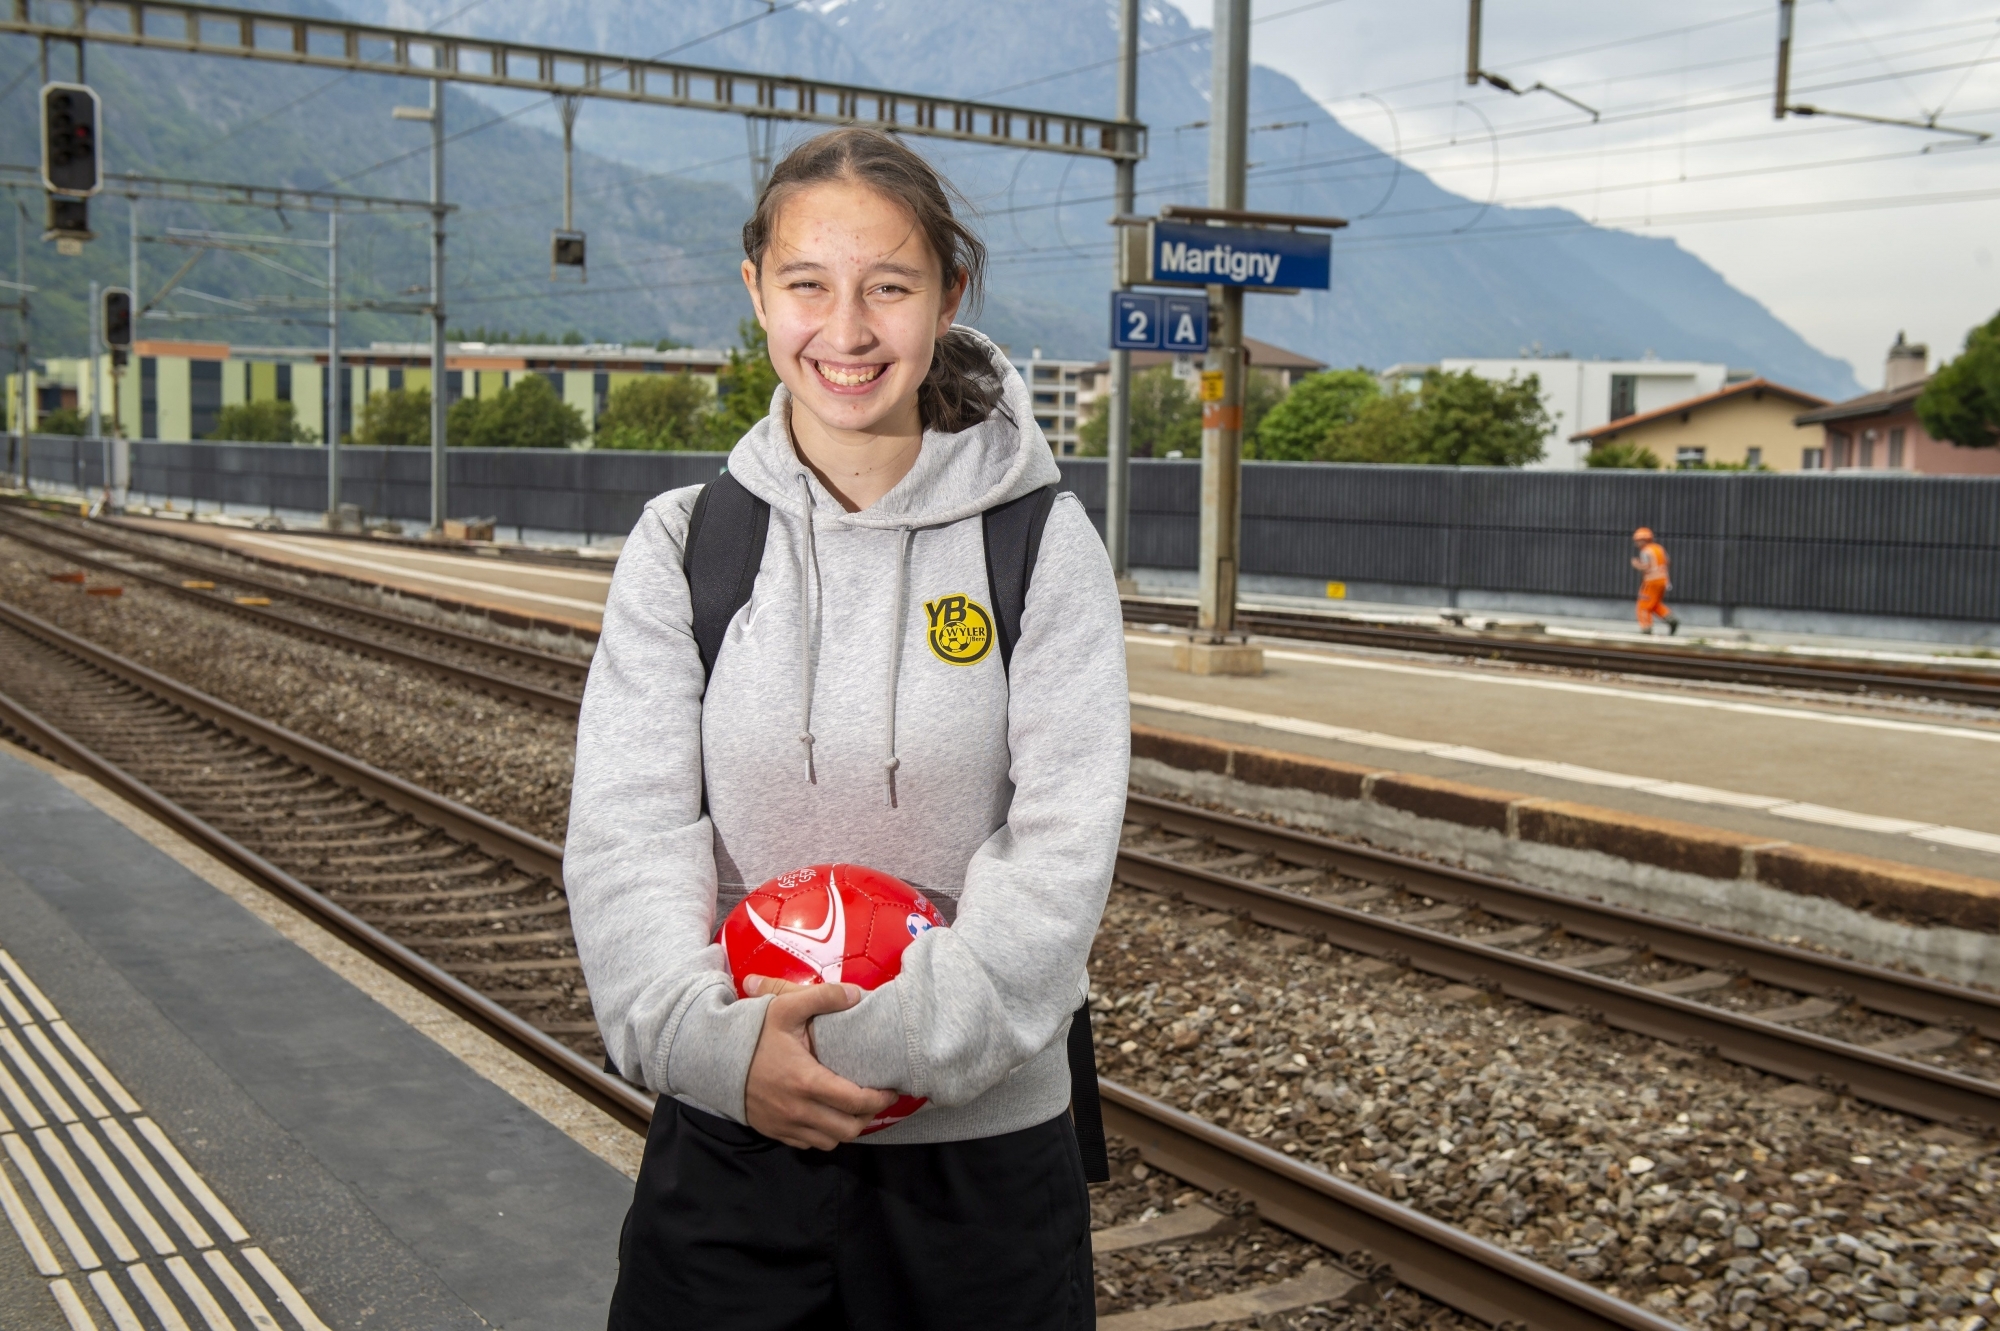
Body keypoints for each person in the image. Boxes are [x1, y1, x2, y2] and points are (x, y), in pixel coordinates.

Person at [565, 127, 1129, 1330]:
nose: (847, 328)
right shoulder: (684, 542)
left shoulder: (1035, 544)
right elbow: (628, 832)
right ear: (755, 293)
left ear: (947, 297)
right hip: (732, 1140)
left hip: (979, 1166)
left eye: (889, 284)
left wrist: (871, 1048)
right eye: (807, 284)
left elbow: (1062, 849)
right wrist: (722, 1053)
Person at [1631, 526, 1679, 635]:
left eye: (1638, 541)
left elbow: (1646, 567)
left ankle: (1646, 628)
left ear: (1644, 540)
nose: (1637, 544)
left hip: (1651, 581)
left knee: (1643, 606)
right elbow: (1668, 562)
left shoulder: (1646, 551)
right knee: (1654, 604)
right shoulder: (1659, 548)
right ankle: (1670, 619)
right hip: (1663, 581)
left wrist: (1637, 565)